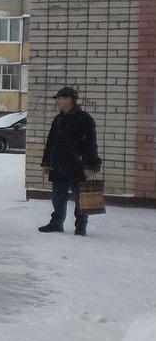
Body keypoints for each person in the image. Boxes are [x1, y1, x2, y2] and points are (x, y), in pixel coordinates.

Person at [39, 86, 101, 235]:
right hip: (58, 165)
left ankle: (81, 227)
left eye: (59, 98)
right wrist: (46, 162)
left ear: (69, 99)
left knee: (82, 198)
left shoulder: (84, 119)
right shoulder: (58, 118)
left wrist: (90, 165)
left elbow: (90, 144)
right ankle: (56, 223)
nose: (57, 101)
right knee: (58, 197)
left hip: (77, 166)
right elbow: (51, 142)